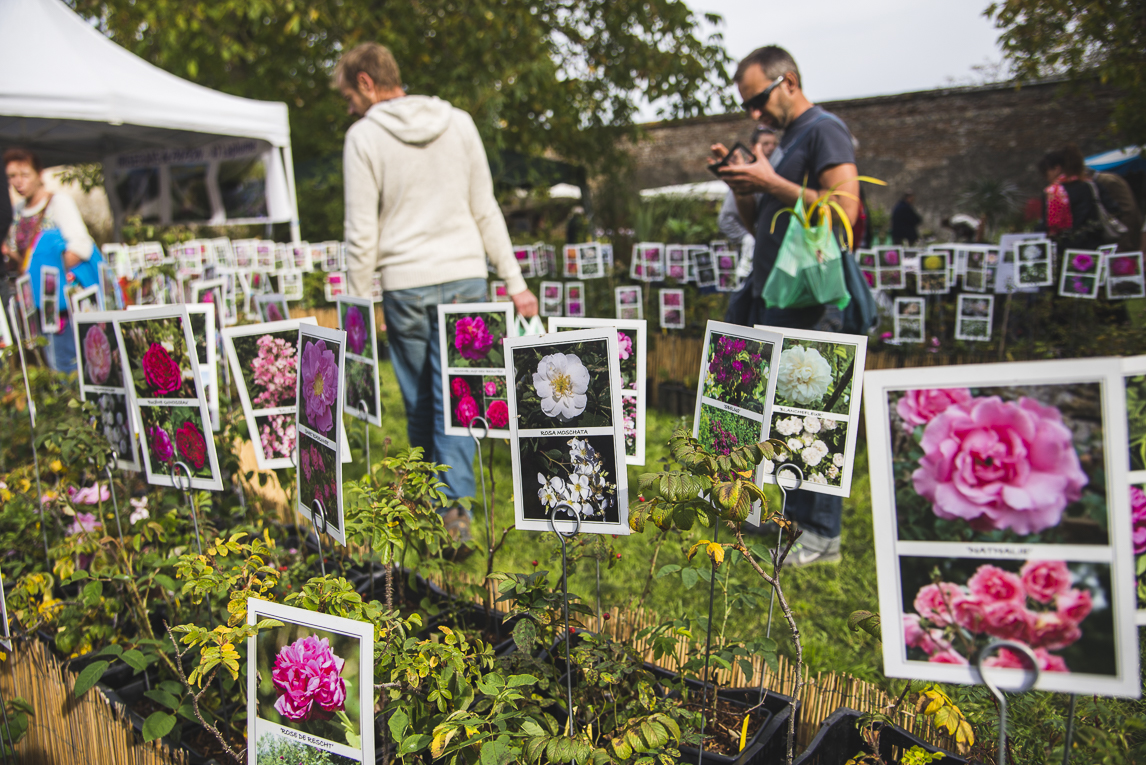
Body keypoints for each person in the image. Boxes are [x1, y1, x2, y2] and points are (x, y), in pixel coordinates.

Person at [335, 43, 538, 541]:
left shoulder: (363, 139)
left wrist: (357, 310)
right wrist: (516, 283)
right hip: (466, 276)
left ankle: (435, 506)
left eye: (348, 97)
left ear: (365, 82)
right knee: (459, 394)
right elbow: (485, 208)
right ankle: (447, 508)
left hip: (406, 285)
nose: (349, 109)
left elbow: (361, 235)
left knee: (422, 399)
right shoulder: (460, 123)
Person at [712, 46, 860, 566]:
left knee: (812, 414)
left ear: (788, 80)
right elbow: (762, 227)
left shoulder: (824, 129)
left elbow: (846, 211)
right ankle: (779, 518)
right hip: (775, 291)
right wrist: (744, 186)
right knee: (782, 411)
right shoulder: (790, 139)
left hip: (811, 299)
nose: (753, 114)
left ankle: (821, 536)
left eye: (757, 99)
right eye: (746, 105)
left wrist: (771, 180)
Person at [4, 148, 96, 373]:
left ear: (39, 173)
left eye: (24, 174)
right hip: (35, 303)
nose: (18, 182)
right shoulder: (18, 210)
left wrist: (51, 273)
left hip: (62, 304)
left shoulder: (58, 203)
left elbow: (81, 246)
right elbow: (26, 260)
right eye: (12, 176)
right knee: (51, 365)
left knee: (68, 364)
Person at [1038, 144, 1103, 251]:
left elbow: (1046, 225)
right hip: (1094, 245)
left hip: (1066, 248)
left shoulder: (1052, 193)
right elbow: (1114, 209)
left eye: (1046, 173)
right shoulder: (1091, 186)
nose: (1046, 178)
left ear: (1057, 168)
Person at [1088, 168, 1142, 252]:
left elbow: (1127, 211)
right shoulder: (1103, 180)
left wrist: (1123, 243)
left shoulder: (1108, 181)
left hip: (1125, 238)